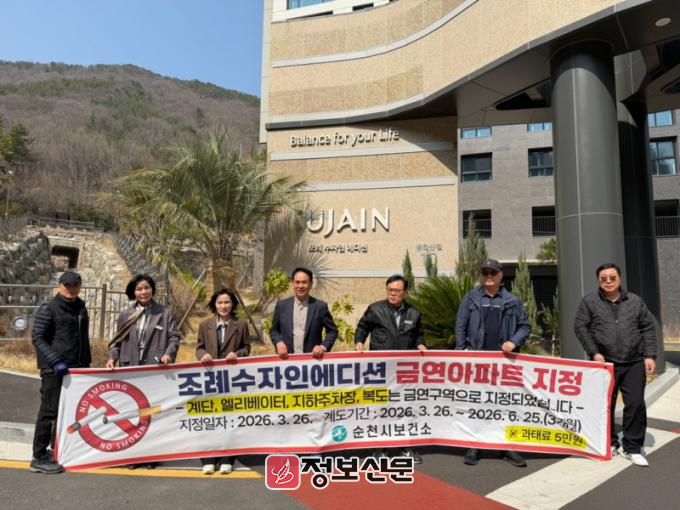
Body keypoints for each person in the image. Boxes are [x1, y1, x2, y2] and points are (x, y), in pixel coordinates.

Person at [574, 263, 657, 467]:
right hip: (604, 363)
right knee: (605, 405)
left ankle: (632, 448)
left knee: (636, 404)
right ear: (599, 281)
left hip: (634, 361)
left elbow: (647, 328)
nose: (608, 281)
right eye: (604, 278)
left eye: (612, 277)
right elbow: (580, 327)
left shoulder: (635, 301)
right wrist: (594, 353)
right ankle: (609, 443)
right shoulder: (590, 302)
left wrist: (649, 355)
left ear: (619, 278)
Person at [455, 259, 530, 468]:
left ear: (500, 276)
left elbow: (525, 326)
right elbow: (460, 326)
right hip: (477, 361)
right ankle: (475, 445)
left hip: (504, 363)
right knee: (477, 403)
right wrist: (461, 352)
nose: (488, 276)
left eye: (492, 272)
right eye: (485, 272)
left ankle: (506, 447)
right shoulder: (470, 298)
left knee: (505, 403)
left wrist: (513, 342)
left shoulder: (512, 301)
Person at [106, 273, 180, 469]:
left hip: (154, 368)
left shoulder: (164, 313)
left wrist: (168, 354)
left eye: (146, 288)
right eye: (139, 289)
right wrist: (113, 357)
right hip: (130, 367)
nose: (143, 292)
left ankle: (150, 454)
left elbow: (174, 338)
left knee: (152, 411)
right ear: (133, 292)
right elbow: (116, 341)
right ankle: (132, 455)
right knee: (131, 410)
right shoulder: (125, 315)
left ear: (152, 290)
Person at [354, 274, 426, 464]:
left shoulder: (414, 313)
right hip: (380, 369)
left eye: (397, 291)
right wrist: (359, 341)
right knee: (381, 407)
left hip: (404, 370)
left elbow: (419, 335)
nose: (393, 294)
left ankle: (405, 446)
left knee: (404, 407)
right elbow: (362, 327)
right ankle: (380, 447)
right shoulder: (375, 309)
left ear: (405, 292)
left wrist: (420, 345)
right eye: (390, 290)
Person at [30, 271, 91, 474]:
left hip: (77, 370)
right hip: (54, 370)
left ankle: (58, 449)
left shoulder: (81, 307)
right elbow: (38, 338)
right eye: (67, 285)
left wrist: (86, 365)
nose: (71, 288)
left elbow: (82, 339)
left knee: (70, 413)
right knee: (49, 412)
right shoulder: (48, 308)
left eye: (75, 285)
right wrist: (55, 361)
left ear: (80, 286)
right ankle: (39, 456)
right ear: (59, 286)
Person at [196, 288, 250, 475]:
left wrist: (238, 354)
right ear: (214, 304)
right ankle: (209, 459)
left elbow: (247, 348)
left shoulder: (241, 324)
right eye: (220, 302)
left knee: (229, 418)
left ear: (233, 304)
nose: (223, 306)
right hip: (210, 377)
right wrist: (203, 355)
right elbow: (199, 347)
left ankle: (228, 458)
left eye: (227, 302)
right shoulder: (205, 324)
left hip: (232, 378)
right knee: (210, 417)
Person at [270, 267, 338, 359]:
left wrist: (322, 347)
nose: (300, 286)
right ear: (292, 284)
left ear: (311, 284)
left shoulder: (320, 307)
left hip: (312, 361)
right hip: (287, 360)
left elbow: (332, 331)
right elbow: (274, 330)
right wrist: (279, 343)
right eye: (297, 282)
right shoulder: (282, 306)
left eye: (304, 282)